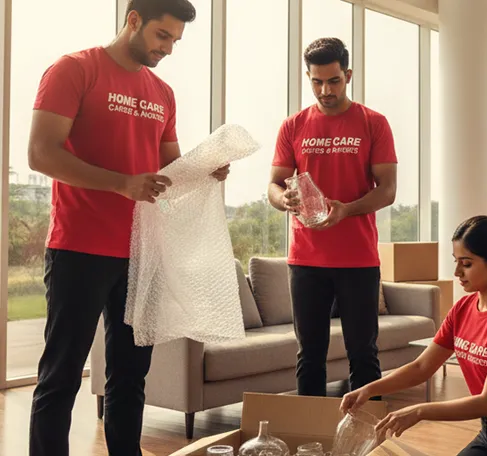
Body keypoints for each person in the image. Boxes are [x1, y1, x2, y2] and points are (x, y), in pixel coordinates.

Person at [26, 1, 230, 455]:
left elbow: (167, 167)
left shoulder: (162, 92)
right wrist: (121, 184)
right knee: (60, 376)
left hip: (143, 250)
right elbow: (41, 153)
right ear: (133, 20)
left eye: (176, 40)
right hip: (79, 248)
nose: (169, 48)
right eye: (162, 36)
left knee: (131, 375)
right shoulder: (74, 70)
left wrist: (202, 171)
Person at [340, 216, 487, 456]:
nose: (457, 272)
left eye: (467, 264)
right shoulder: (463, 308)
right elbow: (422, 367)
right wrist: (367, 389)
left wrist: (419, 411)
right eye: (456, 262)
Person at [268, 37, 398, 397]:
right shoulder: (292, 126)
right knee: (309, 355)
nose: (325, 90)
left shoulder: (374, 123)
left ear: (348, 75)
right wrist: (285, 200)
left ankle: (369, 443)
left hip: (358, 259)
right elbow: (273, 186)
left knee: (363, 355)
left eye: (333, 81)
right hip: (305, 259)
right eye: (316, 82)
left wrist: (346, 210)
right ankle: (312, 442)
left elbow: (387, 190)